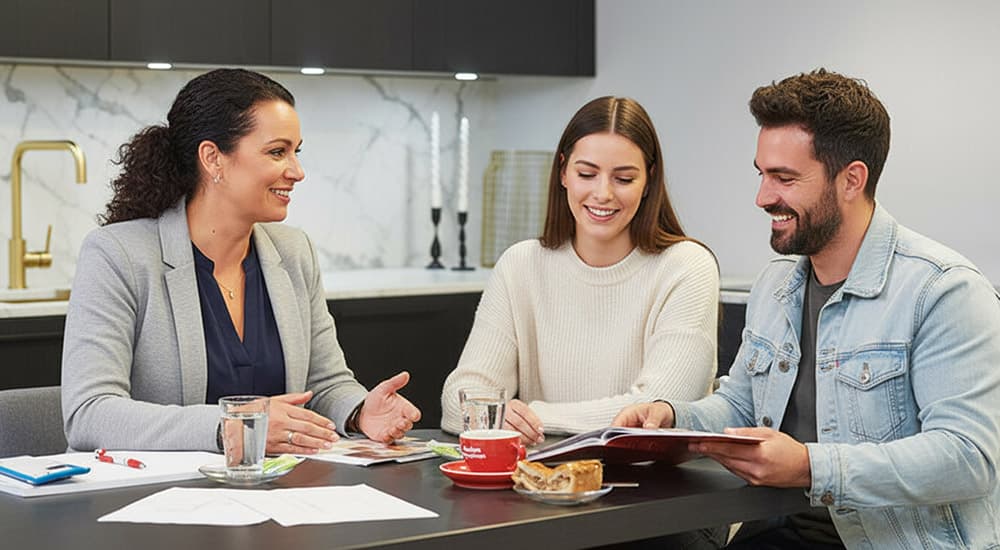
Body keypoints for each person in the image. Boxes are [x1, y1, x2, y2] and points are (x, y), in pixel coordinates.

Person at [614, 69, 1000, 548]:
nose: (762, 197)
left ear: (851, 180)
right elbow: (743, 404)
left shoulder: (943, 292)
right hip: (776, 533)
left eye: (785, 178)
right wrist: (673, 420)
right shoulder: (777, 284)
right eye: (761, 174)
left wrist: (810, 467)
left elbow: (969, 458)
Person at [61, 68, 421, 454]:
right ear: (213, 158)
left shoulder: (294, 252)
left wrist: (360, 411)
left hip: (276, 494)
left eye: (296, 152)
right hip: (153, 499)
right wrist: (233, 426)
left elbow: (326, 383)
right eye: (277, 152)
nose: (297, 172)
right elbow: (89, 413)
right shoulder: (117, 255)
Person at [441, 96, 720, 443]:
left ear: (648, 181)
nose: (602, 193)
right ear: (563, 172)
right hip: (535, 483)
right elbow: (459, 401)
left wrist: (523, 415)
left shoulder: (687, 267)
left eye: (624, 179)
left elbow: (656, 410)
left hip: (652, 486)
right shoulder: (520, 265)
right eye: (586, 174)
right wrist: (489, 411)